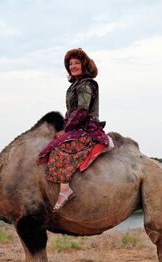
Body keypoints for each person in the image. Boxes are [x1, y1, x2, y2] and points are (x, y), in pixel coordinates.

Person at [38, 48, 110, 211]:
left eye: (76, 63)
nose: (73, 66)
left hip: (86, 128)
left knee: (62, 148)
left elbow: (82, 111)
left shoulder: (86, 85)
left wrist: (66, 129)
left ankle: (65, 189)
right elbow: (71, 112)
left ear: (84, 64)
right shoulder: (74, 86)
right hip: (76, 124)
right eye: (70, 64)